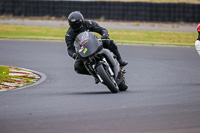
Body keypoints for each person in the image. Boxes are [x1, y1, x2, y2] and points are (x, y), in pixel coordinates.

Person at [65, 11, 128, 79]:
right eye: (74, 24)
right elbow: (70, 49)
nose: (76, 26)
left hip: (95, 43)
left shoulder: (88, 23)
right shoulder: (69, 34)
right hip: (84, 50)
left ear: (82, 20)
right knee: (77, 67)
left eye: (77, 24)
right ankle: (96, 74)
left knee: (110, 42)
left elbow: (101, 29)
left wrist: (104, 35)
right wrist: (74, 55)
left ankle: (120, 60)